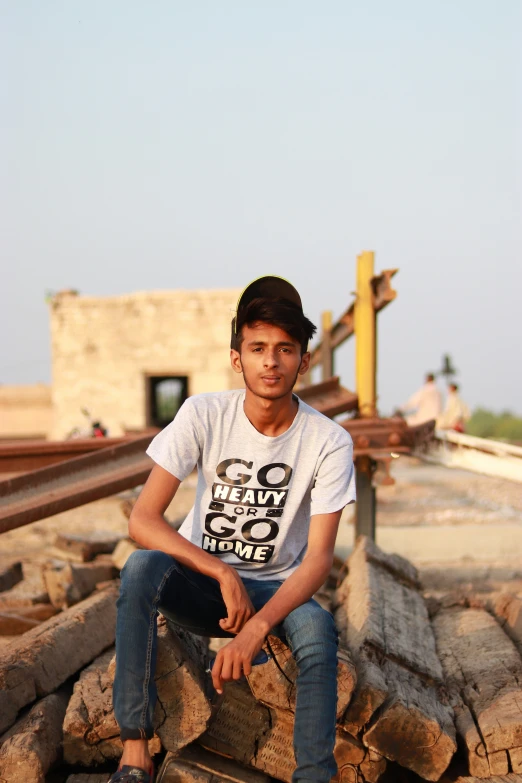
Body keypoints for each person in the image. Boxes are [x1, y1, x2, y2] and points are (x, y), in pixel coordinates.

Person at [108, 276, 356, 783]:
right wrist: (221, 571)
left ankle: (314, 776)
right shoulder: (204, 414)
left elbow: (318, 561)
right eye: (258, 347)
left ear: (303, 361)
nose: (271, 361)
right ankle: (134, 751)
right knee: (140, 568)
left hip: (276, 590)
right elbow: (143, 519)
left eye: (285, 349)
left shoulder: (329, 441)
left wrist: (258, 628)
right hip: (203, 584)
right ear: (236, 357)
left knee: (318, 630)